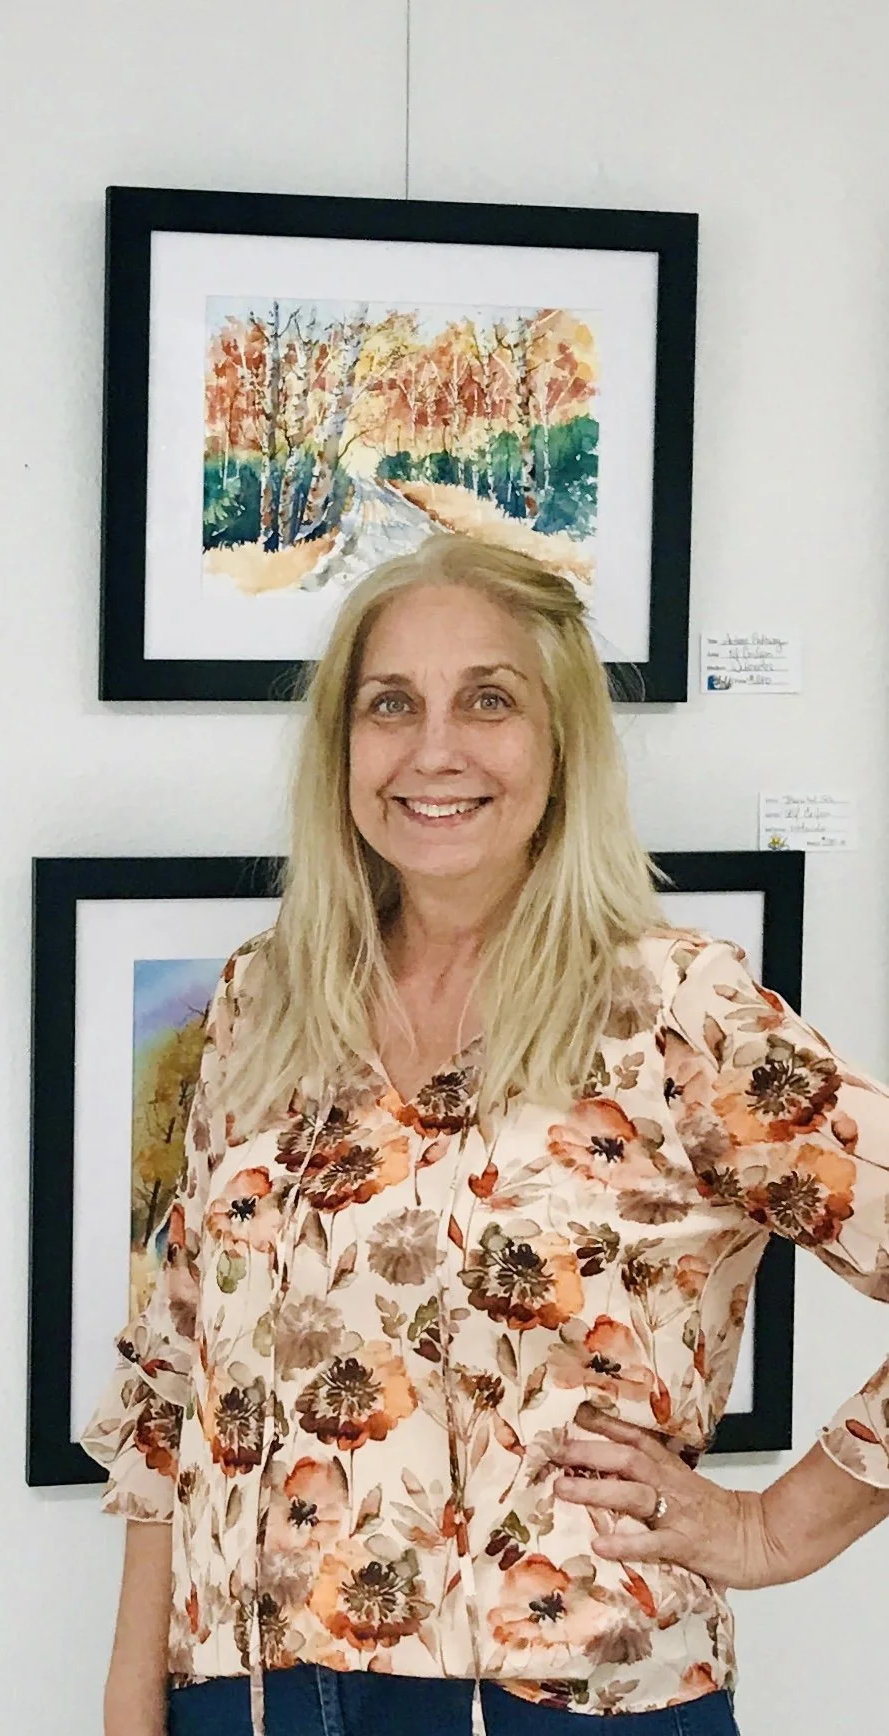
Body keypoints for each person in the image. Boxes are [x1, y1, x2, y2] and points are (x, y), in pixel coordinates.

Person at [85, 536, 889, 1736]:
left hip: (567, 1701)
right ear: (340, 748)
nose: (432, 749)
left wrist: (768, 1528)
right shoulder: (261, 1001)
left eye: (488, 699)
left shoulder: (673, 1010)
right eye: (389, 704)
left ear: (559, 743)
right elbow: (174, 1364)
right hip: (249, 1699)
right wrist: (131, 1689)